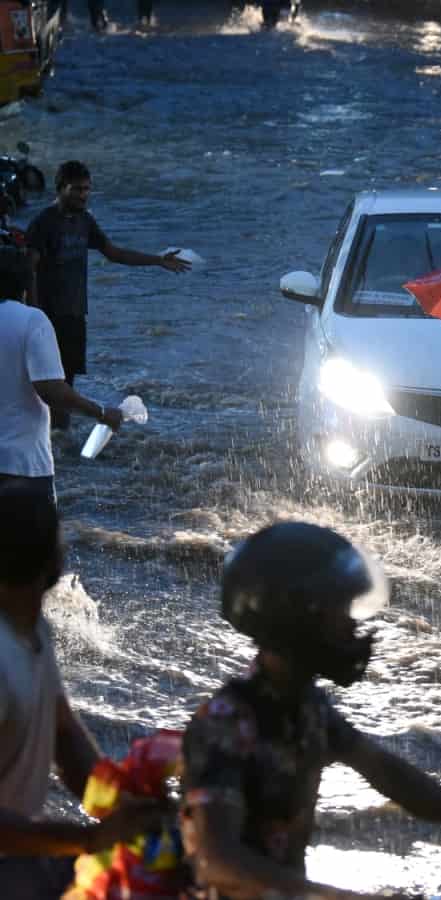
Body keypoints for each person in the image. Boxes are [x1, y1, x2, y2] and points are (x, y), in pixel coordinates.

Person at [180, 522, 441, 899]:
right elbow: (218, 861)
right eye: (340, 613)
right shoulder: (226, 723)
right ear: (296, 617)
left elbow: (390, 775)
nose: (352, 628)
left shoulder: (309, 709)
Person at [0, 482, 169, 900]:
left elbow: (65, 737)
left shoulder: (34, 630)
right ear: (52, 561)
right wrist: (87, 840)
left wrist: (120, 805)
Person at [26, 160, 190, 430]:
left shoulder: (84, 221)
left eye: (87, 189)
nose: (83, 195)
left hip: (75, 314)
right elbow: (28, 270)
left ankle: (61, 439)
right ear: (60, 188)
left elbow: (115, 254)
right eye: (77, 189)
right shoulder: (43, 223)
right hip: (46, 315)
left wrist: (158, 260)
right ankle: (44, 437)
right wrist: (33, 314)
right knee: (45, 383)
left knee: (66, 381)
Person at [0, 246, 122, 502]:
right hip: (20, 466)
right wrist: (101, 413)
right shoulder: (31, 320)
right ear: (26, 282)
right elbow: (52, 390)